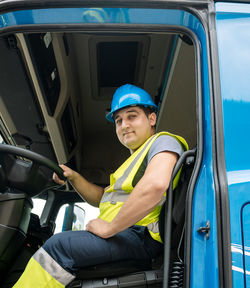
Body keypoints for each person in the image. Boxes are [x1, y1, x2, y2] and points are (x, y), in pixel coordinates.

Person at [13, 84, 188, 288]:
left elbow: (156, 185)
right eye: (119, 120)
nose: (124, 125)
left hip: (141, 236)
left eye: (132, 116)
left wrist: (109, 228)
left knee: (59, 246)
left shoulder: (163, 141)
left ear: (151, 119)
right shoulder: (130, 164)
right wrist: (74, 177)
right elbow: (101, 198)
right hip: (127, 234)